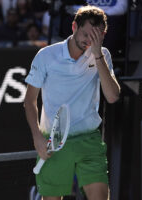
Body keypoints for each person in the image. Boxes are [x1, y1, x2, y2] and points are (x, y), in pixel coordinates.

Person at [24, 5, 121, 200]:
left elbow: (112, 96)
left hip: (89, 141)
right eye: (86, 34)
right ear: (74, 27)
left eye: (96, 36)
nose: (89, 41)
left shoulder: (103, 55)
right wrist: (37, 138)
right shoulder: (46, 56)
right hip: (53, 141)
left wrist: (98, 54)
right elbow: (29, 101)